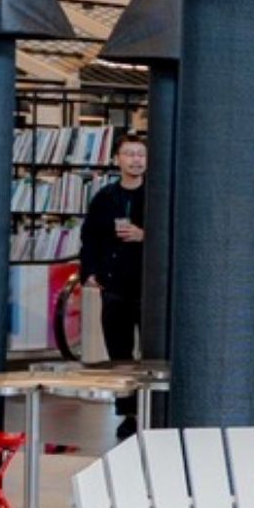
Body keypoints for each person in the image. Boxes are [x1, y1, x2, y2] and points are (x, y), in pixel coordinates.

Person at [79, 133, 152, 365]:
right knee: (118, 355)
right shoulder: (104, 197)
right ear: (116, 159)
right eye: (129, 154)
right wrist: (90, 272)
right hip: (114, 286)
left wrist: (144, 235)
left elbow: (176, 235)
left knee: (154, 356)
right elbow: (90, 237)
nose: (136, 159)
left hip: (150, 287)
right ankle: (124, 391)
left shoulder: (158, 196)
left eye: (141, 154)